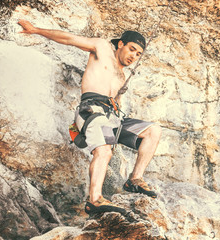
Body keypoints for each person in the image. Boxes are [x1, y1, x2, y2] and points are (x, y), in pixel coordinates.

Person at [18, 19, 162, 216]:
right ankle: (95, 200)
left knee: (153, 131)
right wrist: (36, 30)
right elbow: (69, 39)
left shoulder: (122, 75)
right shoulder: (102, 48)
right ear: (120, 44)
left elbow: (117, 103)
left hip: (113, 117)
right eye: (132, 49)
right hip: (92, 110)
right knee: (103, 151)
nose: (133, 56)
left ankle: (134, 179)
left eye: (138, 54)